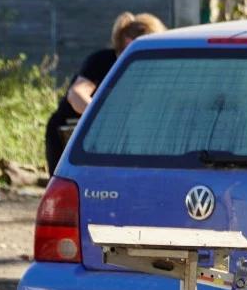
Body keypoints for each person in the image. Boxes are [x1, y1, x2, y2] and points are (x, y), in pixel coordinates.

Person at [44, 12, 166, 172]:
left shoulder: (147, 70)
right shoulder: (102, 61)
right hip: (68, 137)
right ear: (130, 42)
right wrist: (104, 119)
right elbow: (76, 94)